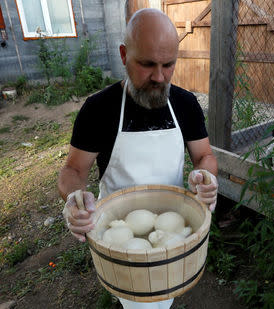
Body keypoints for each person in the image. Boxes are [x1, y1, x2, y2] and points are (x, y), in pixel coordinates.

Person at [57, 8, 218, 309]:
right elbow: (73, 169)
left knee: (164, 294)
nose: (159, 77)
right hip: (120, 237)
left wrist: (206, 176)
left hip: (171, 232)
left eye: (168, 65)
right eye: (146, 64)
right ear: (123, 55)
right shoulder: (99, 110)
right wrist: (75, 197)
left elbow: (204, 155)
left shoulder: (185, 105)